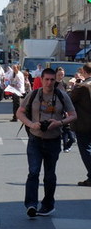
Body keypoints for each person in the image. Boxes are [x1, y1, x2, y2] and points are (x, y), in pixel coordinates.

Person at [16, 68, 76, 217]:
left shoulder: (62, 96)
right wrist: (31, 124)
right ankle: (31, 205)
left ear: (56, 80)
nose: (49, 82)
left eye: (52, 80)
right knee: (33, 172)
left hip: (53, 140)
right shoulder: (34, 94)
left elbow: (73, 115)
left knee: (49, 175)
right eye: (47, 79)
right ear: (41, 80)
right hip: (35, 139)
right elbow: (20, 112)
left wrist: (59, 122)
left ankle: (48, 205)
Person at [70, 63, 91, 186]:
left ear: (84, 72)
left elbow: (69, 99)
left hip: (84, 123)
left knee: (86, 150)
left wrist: (73, 85)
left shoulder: (82, 86)